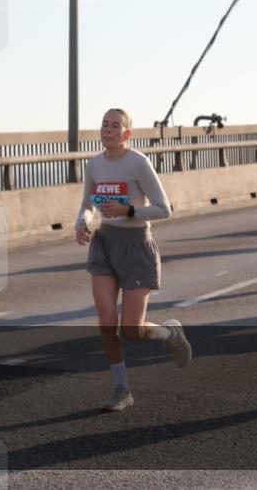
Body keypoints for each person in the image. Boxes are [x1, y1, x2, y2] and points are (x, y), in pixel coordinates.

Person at [74, 108, 190, 413]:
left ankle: (169, 334)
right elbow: (88, 203)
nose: (108, 130)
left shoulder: (138, 163)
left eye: (115, 126)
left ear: (127, 134)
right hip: (104, 245)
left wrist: (129, 212)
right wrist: (82, 222)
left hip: (136, 247)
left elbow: (165, 209)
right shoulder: (94, 164)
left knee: (131, 330)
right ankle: (121, 389)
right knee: (106, 322)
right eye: (104, 125)